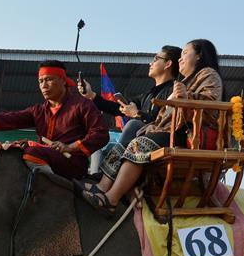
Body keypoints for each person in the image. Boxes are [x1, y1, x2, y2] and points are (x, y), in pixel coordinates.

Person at [79, 39, 224, 215]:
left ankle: (111, 198)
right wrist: (92, 95)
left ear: (199, 55)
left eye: (185, 53)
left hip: (187, 133)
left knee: (138, 141)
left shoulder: (207, 74)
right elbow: (158, 116)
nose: (181, 59)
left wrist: (186, 96)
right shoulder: (176, 84)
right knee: (134, 129)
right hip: (169, 130)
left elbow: (210, 102)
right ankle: (103, 186)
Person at [0, 60, 110, 180]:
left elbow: (101, 134)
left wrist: (69, 147)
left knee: (32, 153)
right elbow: (4, 119)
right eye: (41, 81)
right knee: (6, 152)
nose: (44, 85)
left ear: (63, 81)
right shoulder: (38, 111)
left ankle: (49, 190)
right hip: (46, 157)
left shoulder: (82, 105)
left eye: (49, 79)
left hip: (72, 164)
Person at [78, 45, 182, 151]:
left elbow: (163, 124)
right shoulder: (148, 94)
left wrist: (137, 114)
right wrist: (91, 95)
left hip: (154, 144)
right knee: (100, 150)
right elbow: (118, 108)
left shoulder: (175, 91)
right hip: (137, 144)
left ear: (168, 64)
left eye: (155, 59)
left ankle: (115, 162)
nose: (150, 63)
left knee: (134, 124)